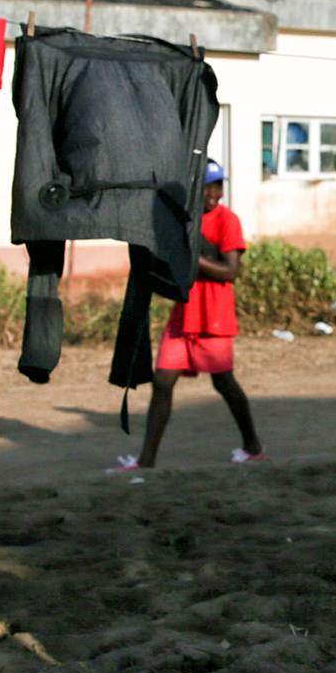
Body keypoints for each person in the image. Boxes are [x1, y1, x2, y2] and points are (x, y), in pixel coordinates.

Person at [113, 162, 265, 471]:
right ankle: (147, 460)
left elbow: (230, 272)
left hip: (214, 314)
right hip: (183, 313)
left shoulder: (227, 221)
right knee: (162, 381)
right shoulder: (186, 221)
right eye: (208, 186)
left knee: (224, 382)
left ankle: (253, 446)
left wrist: (190, 258)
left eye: (218, 185)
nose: (214, 192)